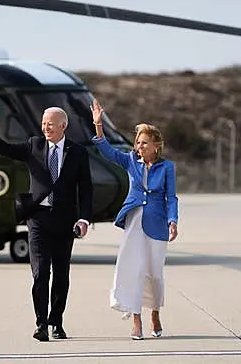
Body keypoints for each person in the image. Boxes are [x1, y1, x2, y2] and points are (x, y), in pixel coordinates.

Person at [0, 105, 93, 342]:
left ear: (63, 126)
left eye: (50, 123)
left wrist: (83, 219)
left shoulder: (78, 152)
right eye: (43, 123)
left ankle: (56, 322)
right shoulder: (34, 145)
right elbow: (6, 150)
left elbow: (86, 190)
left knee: (61, 275)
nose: (45, 127)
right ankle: (41, 323)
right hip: (38, 219)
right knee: (41, 273)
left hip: (65, 221)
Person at [90, 99, 179, 340]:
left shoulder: (167, 167)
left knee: (155, 274)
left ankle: (155, 312)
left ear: (156, 146)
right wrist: (98, 126)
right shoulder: (130, 161)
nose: (139, 146)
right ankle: (136, 320)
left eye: (144, 143)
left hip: (158, 224)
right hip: (134, 222)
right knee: (134, 270)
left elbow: (171, 198)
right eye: (138, 142)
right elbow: (107, 151)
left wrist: (173, 220)